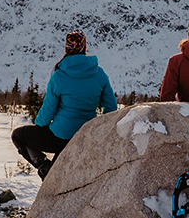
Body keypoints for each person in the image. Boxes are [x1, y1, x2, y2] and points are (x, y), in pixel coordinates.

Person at [11, 30, 117, 180]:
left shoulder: (59, 75)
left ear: (67, 48)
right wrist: (97, 130)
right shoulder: (100, 74)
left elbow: (48, 111)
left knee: (18, 136)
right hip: (86, 136)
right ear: (84, 47)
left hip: (59, 136)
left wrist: (39, 125)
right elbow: (111, 108)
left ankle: (44, 166)